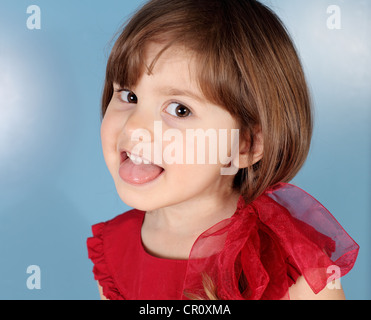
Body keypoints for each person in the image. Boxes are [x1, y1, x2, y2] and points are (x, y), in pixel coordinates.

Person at [87, 0, 359, 300]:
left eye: (179, 110)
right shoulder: (113, 251)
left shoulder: (293, 266)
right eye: (129, 95)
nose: (134, 126)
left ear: (246, 144)